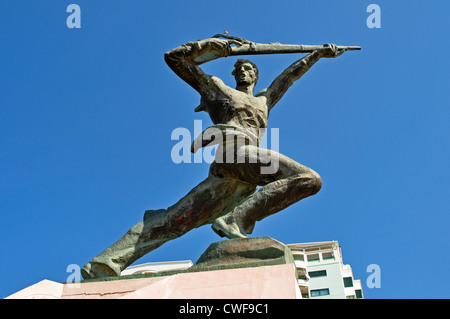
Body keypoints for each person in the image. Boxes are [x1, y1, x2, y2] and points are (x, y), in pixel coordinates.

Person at [81, 36, 343, 279]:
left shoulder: (263, 101)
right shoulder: (217, 89)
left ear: (255, 74)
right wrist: (211, 47)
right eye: (237, 68)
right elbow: (174, 59)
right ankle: (234, 219)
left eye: (248, 68)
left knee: (175, 220)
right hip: (234, 153)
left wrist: (316, 55)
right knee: (308, 178)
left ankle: (105, 263)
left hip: (239, 177)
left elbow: (288, 78)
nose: (241, 71)